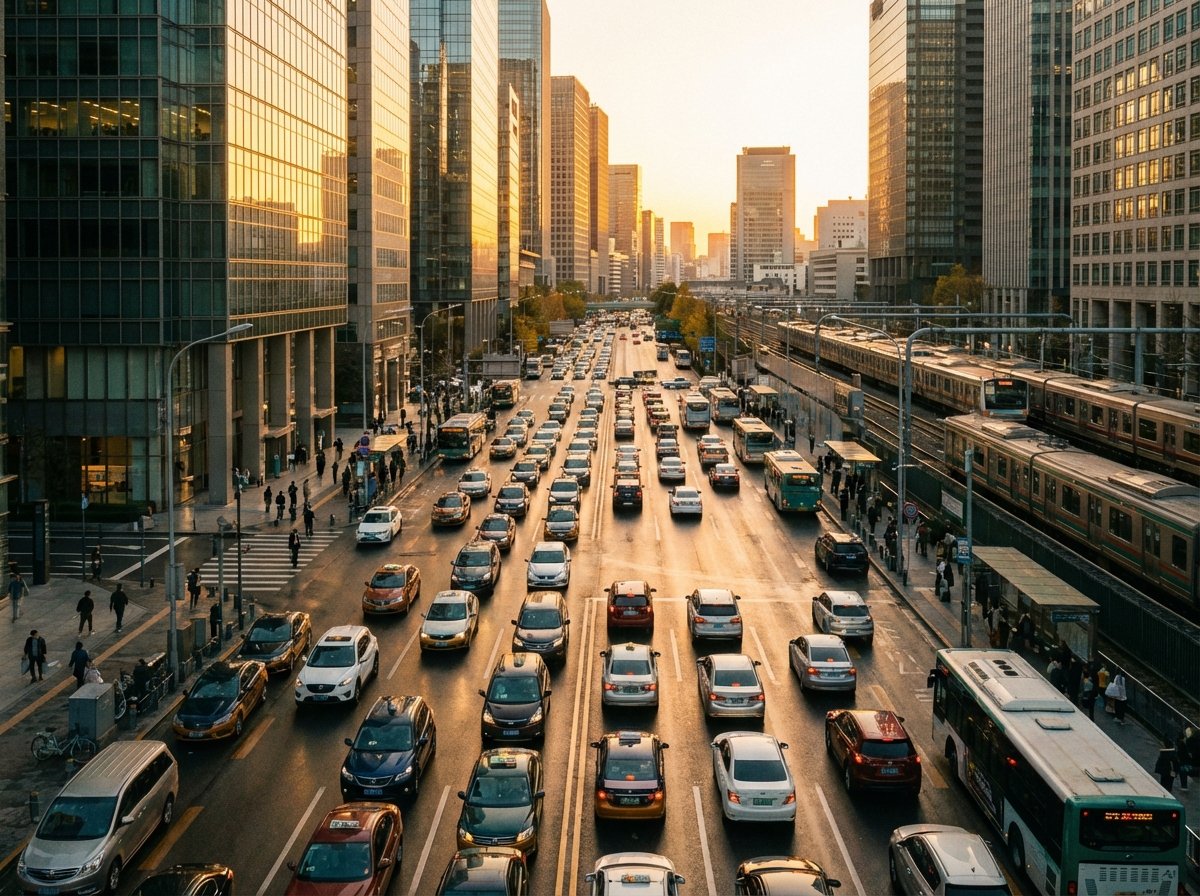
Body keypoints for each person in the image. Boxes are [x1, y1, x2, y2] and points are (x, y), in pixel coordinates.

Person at [1174, 728, 1193, 792]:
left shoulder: (1178, 743)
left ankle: (1183, 786)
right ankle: (1184, 786)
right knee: (1184, 773)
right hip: (1184, 761)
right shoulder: (1183, 744)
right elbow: (1186, 753)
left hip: (1181, 761)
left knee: (1182, 773)